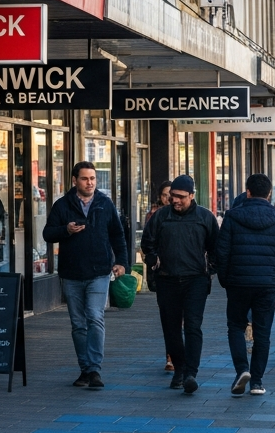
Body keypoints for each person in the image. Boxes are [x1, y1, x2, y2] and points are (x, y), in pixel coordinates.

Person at [43, 162, 128, 390]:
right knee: (78, 324)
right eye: (85, 178)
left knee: (94, 316)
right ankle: (85, 368)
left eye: (92, 178)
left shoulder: (104, 203)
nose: (90, 182)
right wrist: (66, 230)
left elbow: (118, 235)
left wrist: (121, 262)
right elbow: (48, 234)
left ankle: (95, 369)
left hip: (99, 271)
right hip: (71, 273)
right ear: (74, 181)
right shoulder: (62, 205)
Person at [215, 174, 275, 397]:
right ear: (269, 194)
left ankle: (242, 369)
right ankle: (257, 381)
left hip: (238, 282)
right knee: (262, 332)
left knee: (235, 326)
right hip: (267, 284)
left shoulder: (232, 217)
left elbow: (222, 251)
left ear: (247, 192)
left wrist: (225, 279)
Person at [141, 174, 220, 394]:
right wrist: (153, 260)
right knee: (171, 329)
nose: (175, 200)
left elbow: (216, 246)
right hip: (167, 279)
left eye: (181, 197)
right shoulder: (160, 217)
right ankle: (179, 369)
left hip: (196, 279)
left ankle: (190, 373)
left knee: (193, 326)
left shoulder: (205, 217)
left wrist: (210, 268)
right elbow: (147, 242)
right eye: (173, 196)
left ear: (192, 196)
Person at [143, 180, 175, 372]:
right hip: (163, 274)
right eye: (165, 194)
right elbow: (147, 245)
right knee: (170, 317)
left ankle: (178, 354)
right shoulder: (154, 216)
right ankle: (170, 357)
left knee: (183, 319)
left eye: (173, 194)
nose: (169, 198)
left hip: (186, 274)